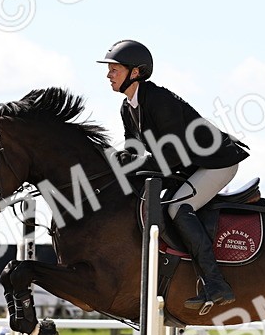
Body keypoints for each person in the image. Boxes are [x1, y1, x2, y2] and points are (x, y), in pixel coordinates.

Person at [98, 39, 249, 313]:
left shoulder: (158, 99)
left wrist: (130, 163)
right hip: (187, 166)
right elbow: (133, 152)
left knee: (178, 207)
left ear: (135, 72)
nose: (109, 75)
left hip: (216, 163)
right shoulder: (127, 108)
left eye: (114, 69)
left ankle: (216, 283)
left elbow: (172, 155)